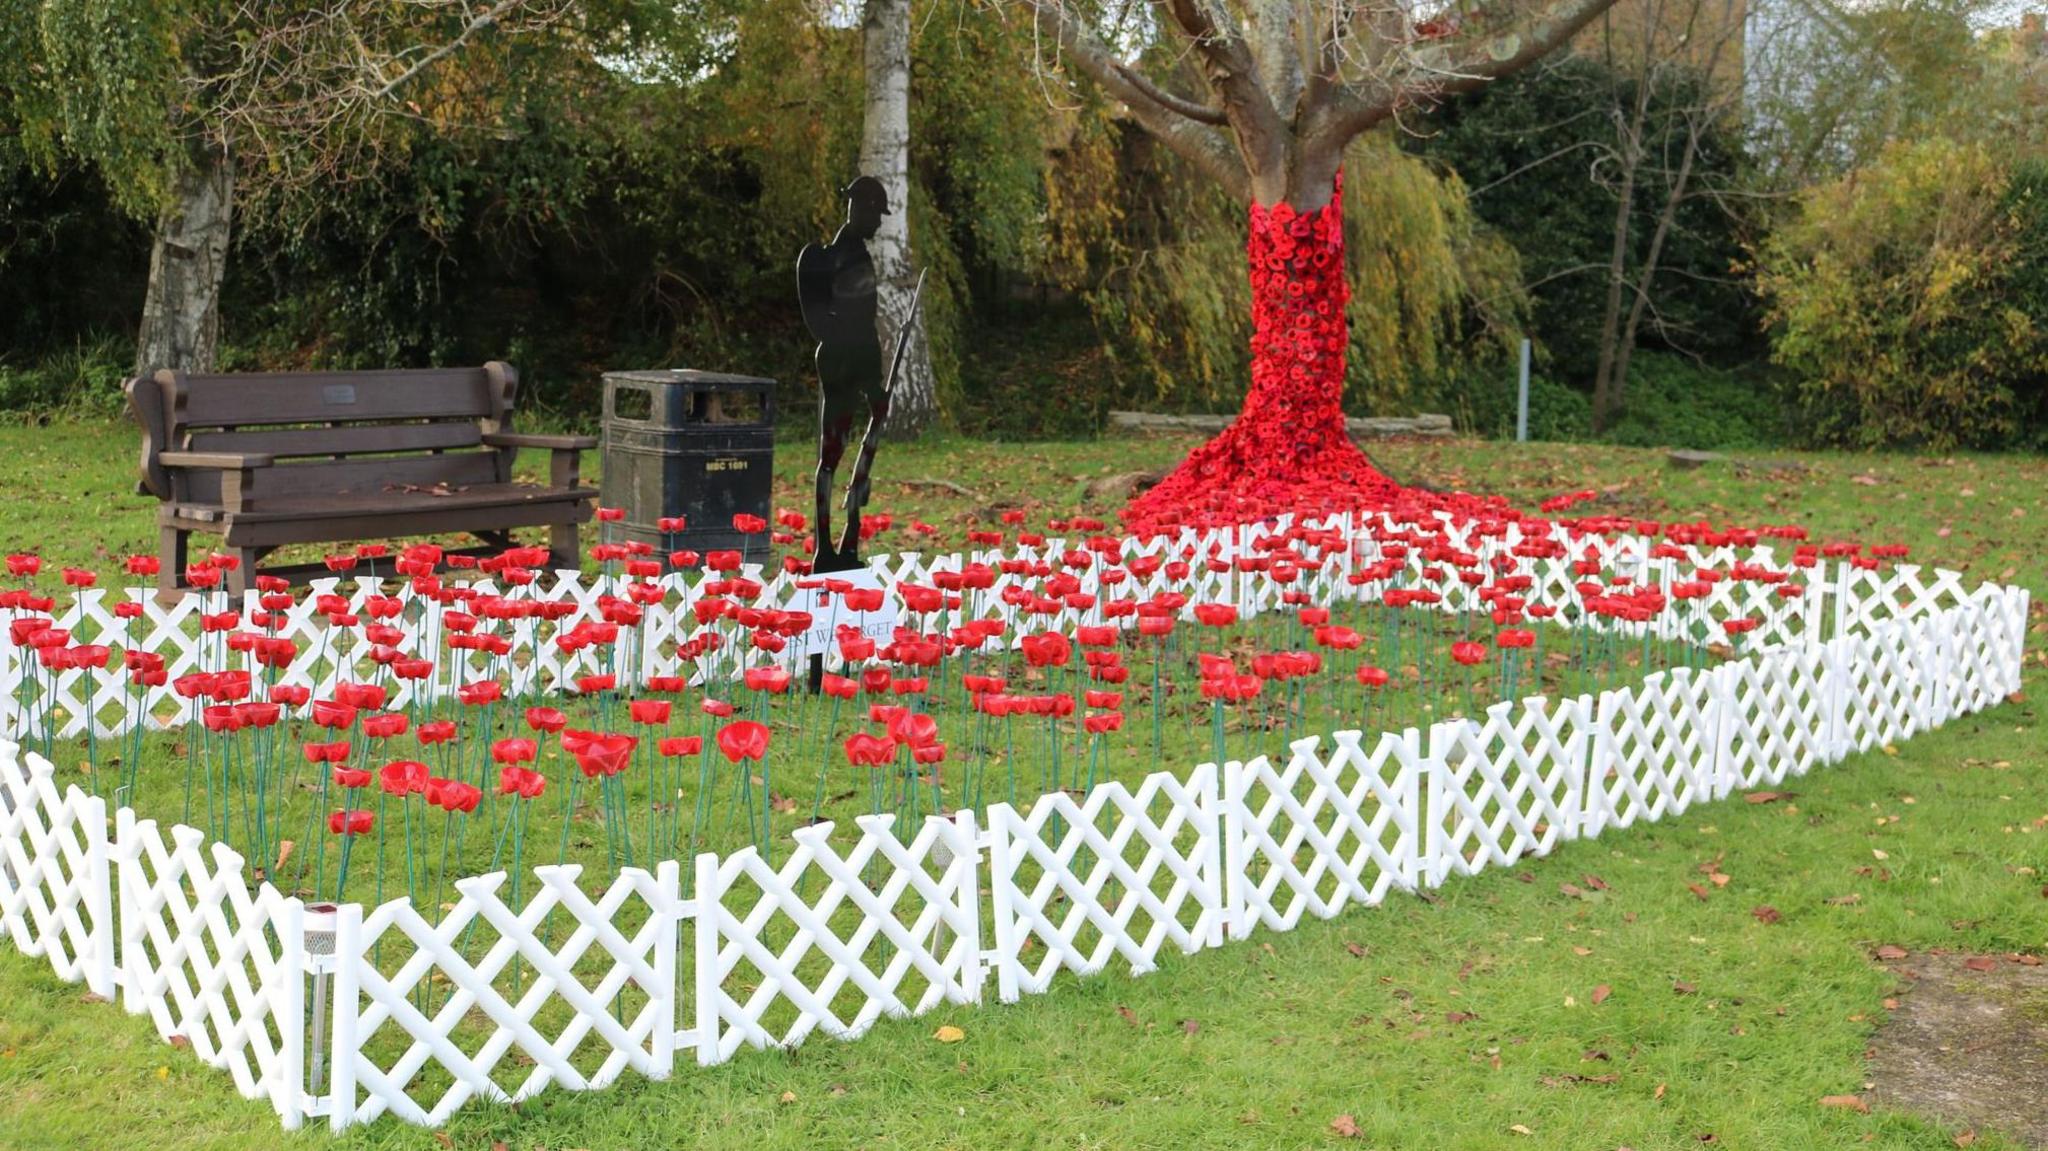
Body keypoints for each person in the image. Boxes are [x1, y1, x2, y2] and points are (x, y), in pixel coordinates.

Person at [796, 176, 891, 566]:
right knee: (831, 453)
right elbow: (832, 324)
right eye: (876, 214)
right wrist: (866, 377)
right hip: (840, 363)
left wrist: (874, 385)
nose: (879, 224)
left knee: (855, 455)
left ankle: (848, 538)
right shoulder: (825, 258)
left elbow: (866, 327)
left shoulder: (858, 257)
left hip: (859, 363)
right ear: (859, 208)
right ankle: (826, 547)